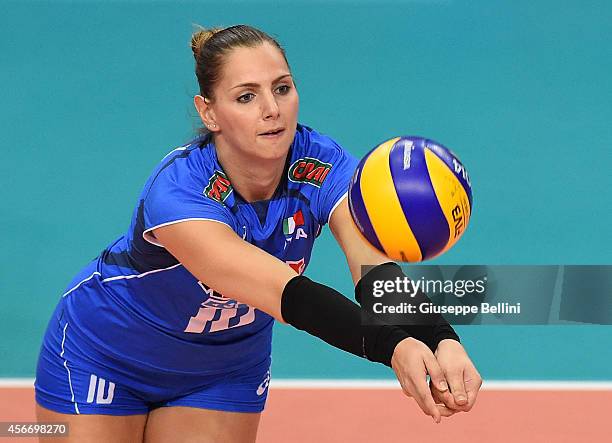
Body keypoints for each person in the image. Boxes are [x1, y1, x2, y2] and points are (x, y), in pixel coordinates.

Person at [35, 25, 482, 442]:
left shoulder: (322, 163)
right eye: (246, 97)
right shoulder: (178, 194)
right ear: (209, 112)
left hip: (223, 369)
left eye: (282, 88)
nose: (272, 109)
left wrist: (440, 338)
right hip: (106, 353)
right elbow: (288, 295)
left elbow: (375, 272)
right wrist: (393, 347)